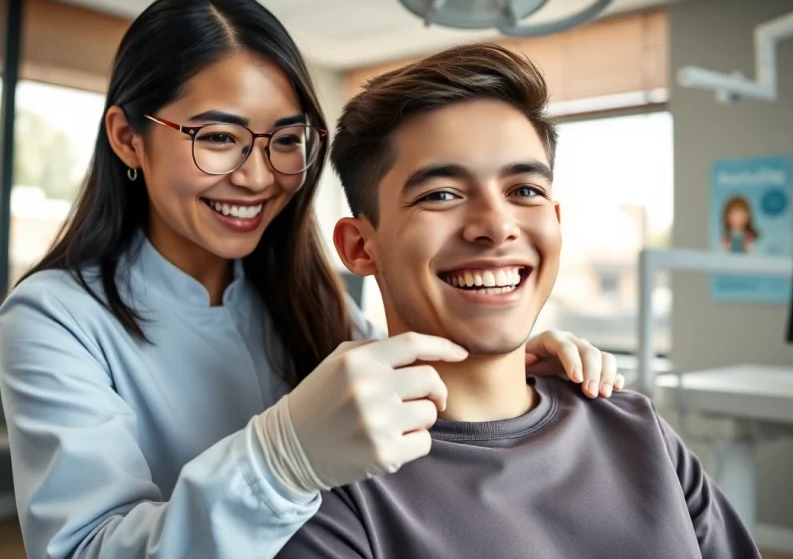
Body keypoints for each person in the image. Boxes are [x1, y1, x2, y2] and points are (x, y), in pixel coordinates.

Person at [0, 0, 626, 559]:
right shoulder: (57, 316)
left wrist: (501, 360)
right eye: (218, 137)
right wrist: (279, 460)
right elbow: (84, 552)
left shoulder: (313, 298)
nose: (258, 175)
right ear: (128, 139)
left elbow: (398, 400)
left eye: (286, 140)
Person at [276, 42, 760, 559]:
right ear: (360, 246)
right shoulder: (333, 495)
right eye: (441, 194)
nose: (497, 226)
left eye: (524, 190)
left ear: (555, 220)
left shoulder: (639, 431)